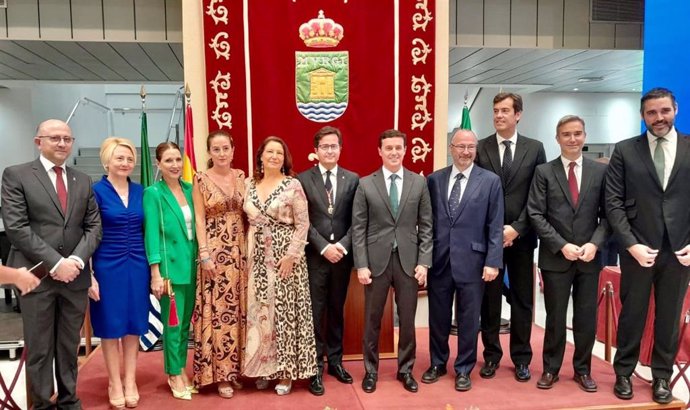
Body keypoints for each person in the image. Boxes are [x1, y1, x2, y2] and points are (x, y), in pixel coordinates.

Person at [0, 119, 102, 409]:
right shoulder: (16, 175)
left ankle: (69, 400)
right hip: (37, 277)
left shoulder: (82, 180)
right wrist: (57, 263)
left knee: (69, 346)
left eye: (67, 139)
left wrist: (76, 261)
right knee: (41, 348)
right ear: (38, 142)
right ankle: (43, 404)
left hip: (75, 278)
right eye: (55, 138)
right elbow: (17, 228)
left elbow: (94, 227)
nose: (62, 144)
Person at [606, 87, 690, 404]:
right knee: (633, 315)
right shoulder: (626, 150)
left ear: (675, 109)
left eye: (664, 111)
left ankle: (662, 378)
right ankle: (624, 373)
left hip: (679, 252)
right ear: (642, 115)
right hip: (638, 250)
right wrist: (630, 245)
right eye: (651, 113)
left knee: (669, 318)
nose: (658, 118)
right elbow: (613, 203)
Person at [527, 116, 609, 392]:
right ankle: (550, 369)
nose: (572, 139)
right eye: (566, 134)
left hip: (588, 258)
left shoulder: (599, 173)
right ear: (557, 138)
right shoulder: (544, 172)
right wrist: (561, 244)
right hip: (556, 258)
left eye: (577, 134)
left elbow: (609, 215)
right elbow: (536, 214)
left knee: (586, 318)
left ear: (585, 136)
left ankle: (583, 370)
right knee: (555, 317)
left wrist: (594, 244)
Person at [352, 129, 433, 394]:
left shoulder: (418, 183)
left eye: (398, 148)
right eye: (389, 148)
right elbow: (359, 227)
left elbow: (427, 226)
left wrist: (424, 262)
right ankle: (371, 371)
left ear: (405, 150)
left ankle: (406, 370)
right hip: (375, 263)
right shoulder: (365, 184)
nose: (394, 152)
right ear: (380, 151)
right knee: (372, 320)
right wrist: (361, 264)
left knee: (407, 320)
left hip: (409, 262)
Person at [423, 129, 503, 392]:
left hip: (474, 262)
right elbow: (427, 223)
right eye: (460, 146)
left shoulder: (490, 181)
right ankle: (437, 363)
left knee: (469, 319)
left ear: (476, 149)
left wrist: (493, 261)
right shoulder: (434, 180)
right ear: (451, 148)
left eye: (471, 147)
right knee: (438, 317)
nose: (466, 152)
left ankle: (464, 368)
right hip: (440, 260)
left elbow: (495, 224)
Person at [475, 92, 546, 382]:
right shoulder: (481, 147)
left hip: (522, 237)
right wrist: (495, 232)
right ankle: (491, 356)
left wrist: (517, 228)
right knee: (489, 300)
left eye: (505, 110)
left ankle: (521, 358)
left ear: (518, 114)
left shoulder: (535, 148)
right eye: (495, 110)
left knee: (522, 300)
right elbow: (476, 194)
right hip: (488, 238)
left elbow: (539, 195)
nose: (499, 115)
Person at [242, 136, 317, 396]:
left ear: (284, 159)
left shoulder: (292, 185)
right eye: (269, 152)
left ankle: (286, 372)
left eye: (279, 153)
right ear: (260, 156)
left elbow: (303, 223)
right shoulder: (248, 184)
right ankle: (264, 369)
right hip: (255, 258)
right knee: (260, 313)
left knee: (284, 314)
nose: (274, 156)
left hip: (285, 257)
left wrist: (291, 256)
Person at [297, 126, 359, 395]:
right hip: (315, 257)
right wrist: (323, 247)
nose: (330, 150)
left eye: (334, 146)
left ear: (340, 149)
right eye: (325, 147)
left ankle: (335, 362)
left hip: (343, 259)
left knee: (336, 311)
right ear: (316, 151)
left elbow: (358, 221)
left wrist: (342, 247)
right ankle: (314, 368)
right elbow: (303, 221)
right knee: (315, 313)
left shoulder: (353, 179)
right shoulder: (301, 179)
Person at [89, 137, 150, 408]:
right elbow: (87, 233)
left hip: (137, 263)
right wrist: (88, 274)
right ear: (107, 161)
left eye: (129, 158)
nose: (125, 163)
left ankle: (130, 380)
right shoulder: (95, 191)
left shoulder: (141, 191)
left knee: (134, 324)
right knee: (110, 325)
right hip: (106, 263)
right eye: (119, 158)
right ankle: (114, 381)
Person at [192, 130, 247, 398]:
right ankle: (219, 375)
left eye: (226, 148)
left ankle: (235, 370)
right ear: (209, 152)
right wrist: (204, 254)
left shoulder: (241, 177)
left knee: (238, 313)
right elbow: (199, 219)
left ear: (233, 150)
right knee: (218, 313)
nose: (222, 153)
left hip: (241, 253)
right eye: (216, 149)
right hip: (214, 254)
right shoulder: (200, 179)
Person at [143, 142, 197, 400]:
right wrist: (155, 272)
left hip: (194, 265)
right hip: (169, 269)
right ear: (158, 164)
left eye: (178, 159)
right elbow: (152, 234)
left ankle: (181, 368)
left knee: (186, 324)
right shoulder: (153, 193)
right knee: (173, 324)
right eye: (168, 161)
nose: (175, 165)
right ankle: (173, 372)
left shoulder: (190, 188)